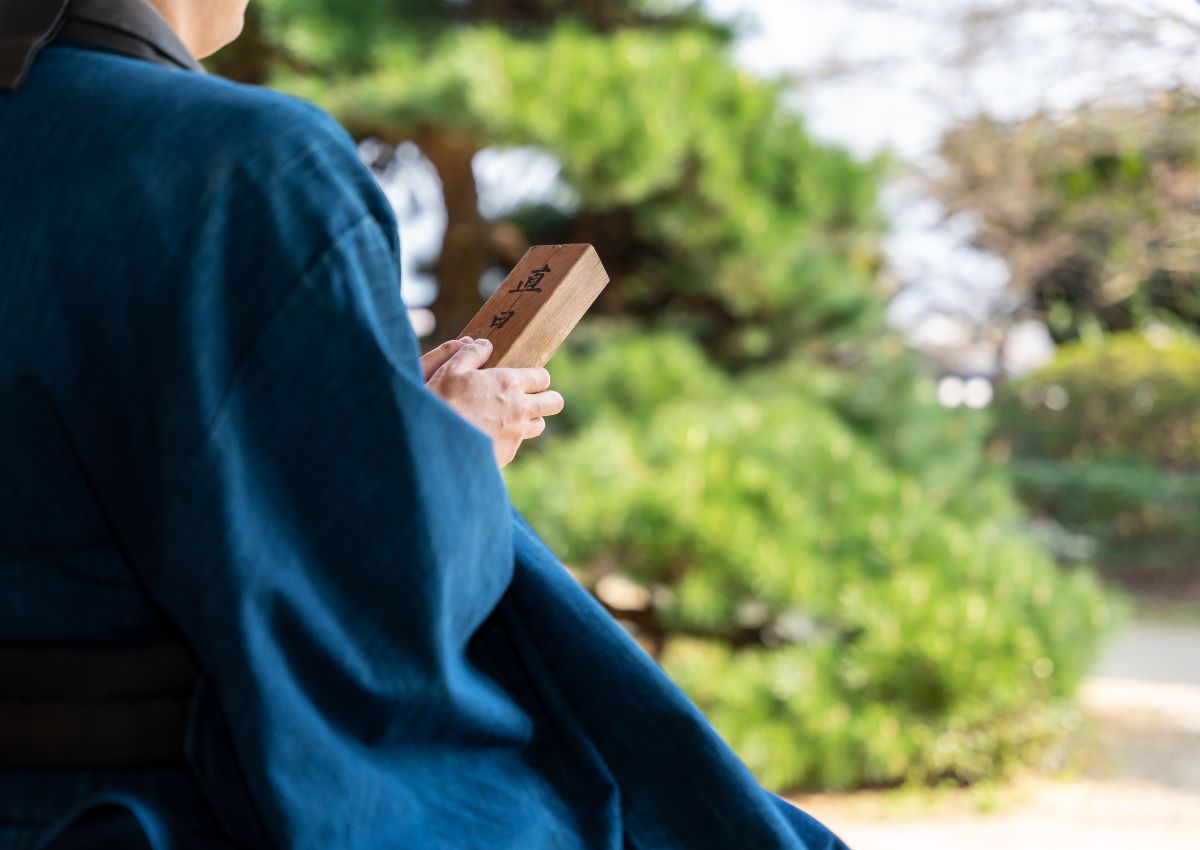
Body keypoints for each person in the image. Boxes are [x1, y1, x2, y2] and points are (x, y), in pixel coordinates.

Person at [0, 1, 848, 849]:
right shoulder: (248, 161)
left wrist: (402, 434)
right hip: (171, 806)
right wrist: (457, 456)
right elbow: (366, 618)